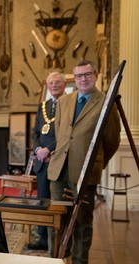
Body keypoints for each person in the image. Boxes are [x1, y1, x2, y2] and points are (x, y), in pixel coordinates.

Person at [47, 60, 121, 263]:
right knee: (57, 219)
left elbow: (112, 140)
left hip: (85, 172)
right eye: (79, 76)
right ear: (74, 79)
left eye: (87, 74)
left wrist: (98, 163)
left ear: (95, 75)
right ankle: (57, 258)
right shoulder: (64, 101)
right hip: (59, 171)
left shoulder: (105, 103)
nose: (83, 79)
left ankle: (80, 261)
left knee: (82, 222)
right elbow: (61, 134)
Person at [29, 72, 66, 252]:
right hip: (42, 161)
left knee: (57, 202)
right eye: (51, 83)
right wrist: (37, 150)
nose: (54, 85)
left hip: (58, 160)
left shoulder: (69, 105)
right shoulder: (43, 106)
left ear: (64, 84)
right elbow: (36, 132)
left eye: (57, 82)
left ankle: (59, 241)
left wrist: (48, 149)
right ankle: (42, 239)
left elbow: (66, 134)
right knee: (42, 199)